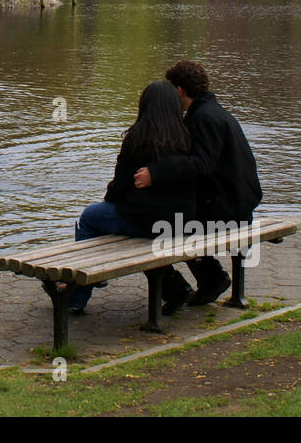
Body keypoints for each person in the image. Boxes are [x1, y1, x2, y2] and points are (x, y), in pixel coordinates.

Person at [65, 81, 202, 315]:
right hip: (181, 222)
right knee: (114, 221)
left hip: (148, 221)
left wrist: (111, 201)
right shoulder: (187, 136)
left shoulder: (138, 137)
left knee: (90, 216)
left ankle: (79, 292)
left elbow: (119, 185)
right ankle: (173, 287)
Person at [134, 60, 263, 306]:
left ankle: (179, 288)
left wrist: (156, 172)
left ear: (180, 90)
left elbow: (200, 165)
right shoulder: (216, 113)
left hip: (228, 212)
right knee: (177, 219)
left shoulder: (203, 118)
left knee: (156, 226)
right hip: (239, 205)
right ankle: (210, 277)